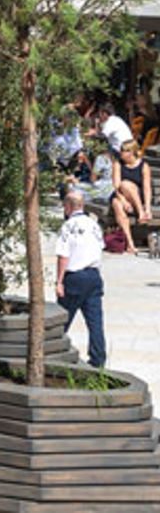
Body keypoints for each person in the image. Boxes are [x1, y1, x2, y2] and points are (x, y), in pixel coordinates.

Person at [56, 190, 107, 367]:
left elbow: (63, 256)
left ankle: (53, 352)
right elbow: (101, 246)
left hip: (74, 277)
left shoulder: (68, 226)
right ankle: (98, 359)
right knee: (95, 322)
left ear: (68, 206)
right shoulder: (94, 225)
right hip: (93, 275)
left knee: (61, 319)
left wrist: (59, 281)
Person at [111, 140, 151, 254]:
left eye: (123, 151)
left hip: (137, 196)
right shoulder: (118, 164)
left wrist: (147, 208)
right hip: (121, 195)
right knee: (116, 203)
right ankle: (130, 243)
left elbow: (147, 188)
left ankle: (142, 213)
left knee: (126, 184)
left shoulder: (143, 165)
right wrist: (123, 201)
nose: (120, 153)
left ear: (131, 152)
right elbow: (116, 186)